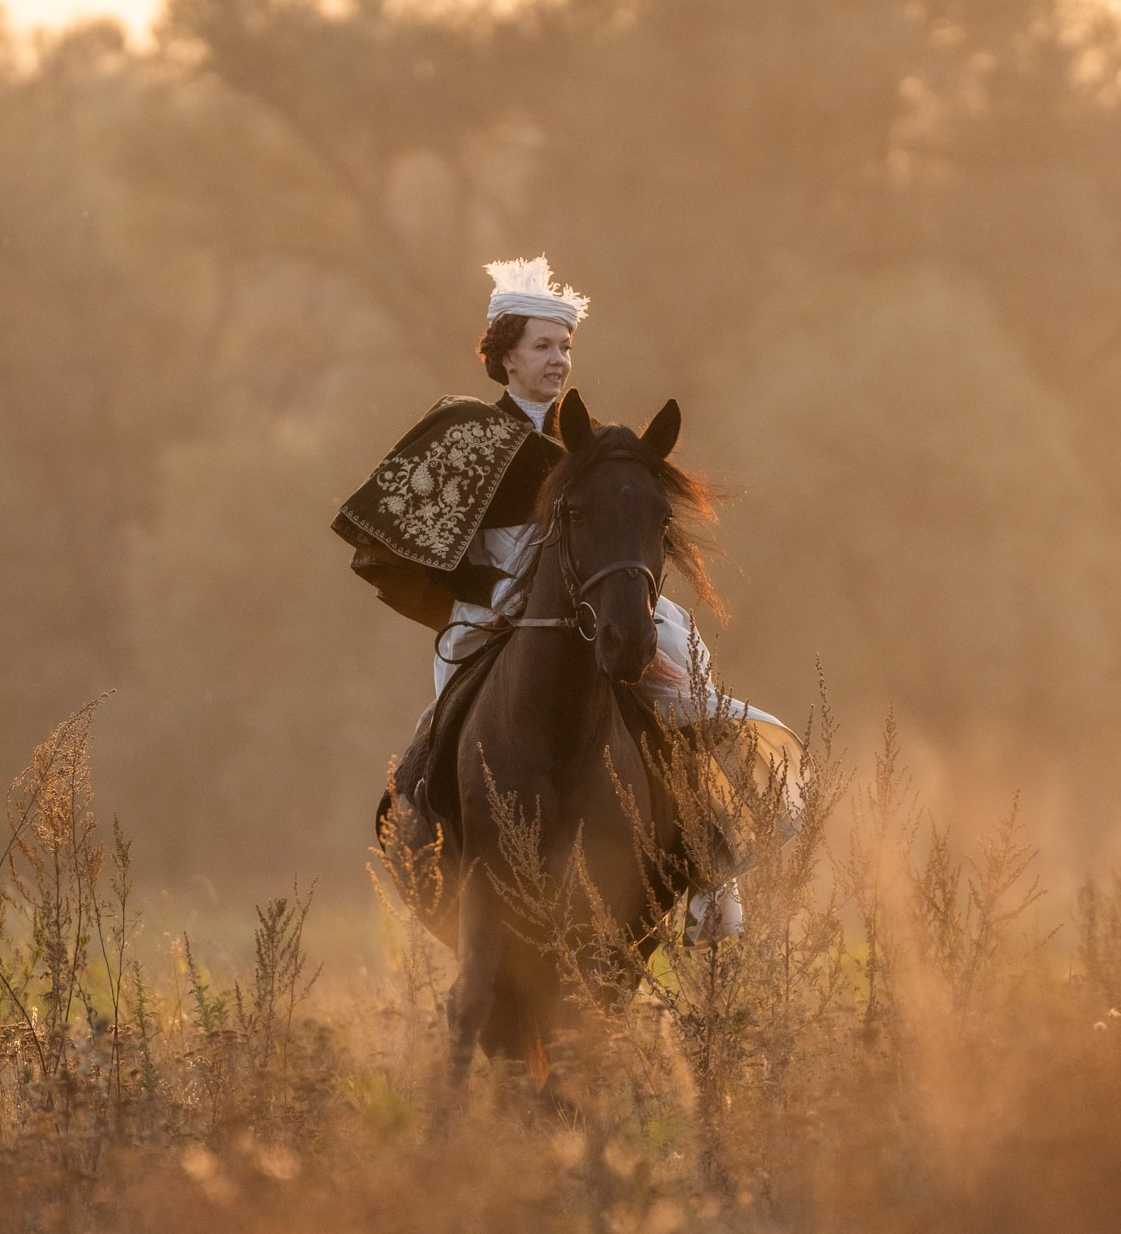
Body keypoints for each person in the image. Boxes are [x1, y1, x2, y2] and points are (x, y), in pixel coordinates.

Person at [334, 256, 790, 937]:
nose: (559, 360)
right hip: (488, 614)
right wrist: (496, 590)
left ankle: (707, 866)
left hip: (588, 605)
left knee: (681, 660)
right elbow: (412, 541)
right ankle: (422, 828)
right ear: (506, 356)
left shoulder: (591, 445)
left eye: (566, 347)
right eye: (543, 346)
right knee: (440, 725)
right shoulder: (463, 433)